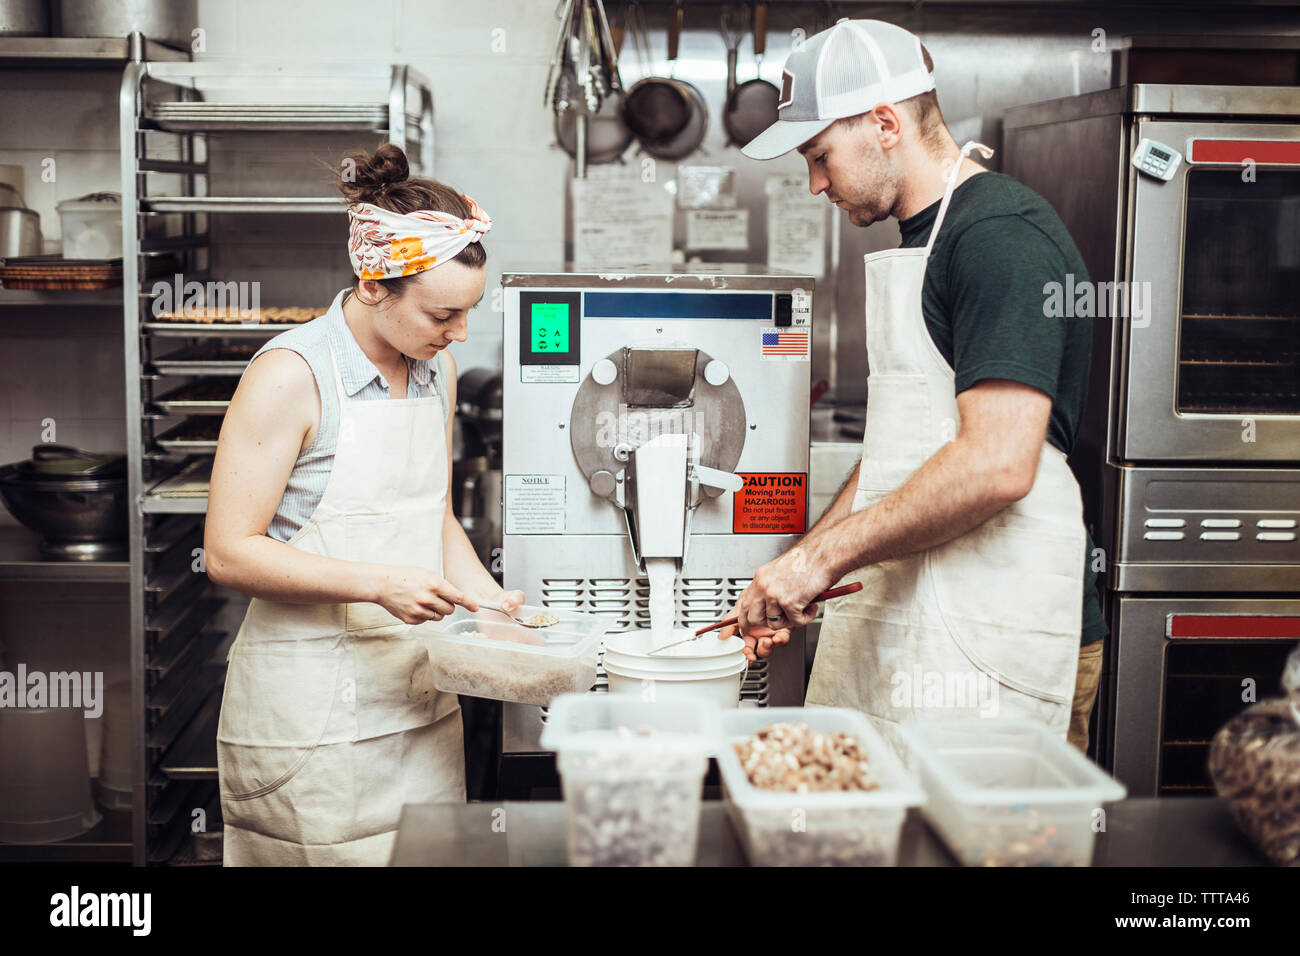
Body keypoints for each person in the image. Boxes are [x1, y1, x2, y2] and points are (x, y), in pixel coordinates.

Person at [728, 20, 1107, 753]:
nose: (815, 183)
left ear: (884, 123)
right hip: (933, 614)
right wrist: (798, 569)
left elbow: (996, 464)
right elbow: (905, 455)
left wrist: (816, 562)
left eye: (819, 155)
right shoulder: (925, 240)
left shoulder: (1000, 235)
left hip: (999, 628)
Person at [206, 144, 524, 865]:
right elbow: (228, 551)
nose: (460, 336)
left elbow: (430, 516)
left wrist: (494, 608)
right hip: (307, 719)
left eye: (468, 313)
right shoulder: (290, 376)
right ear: (375, 285)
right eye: (444, 312)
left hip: (415, 705)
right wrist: (380, 585)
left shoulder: (435, 368)